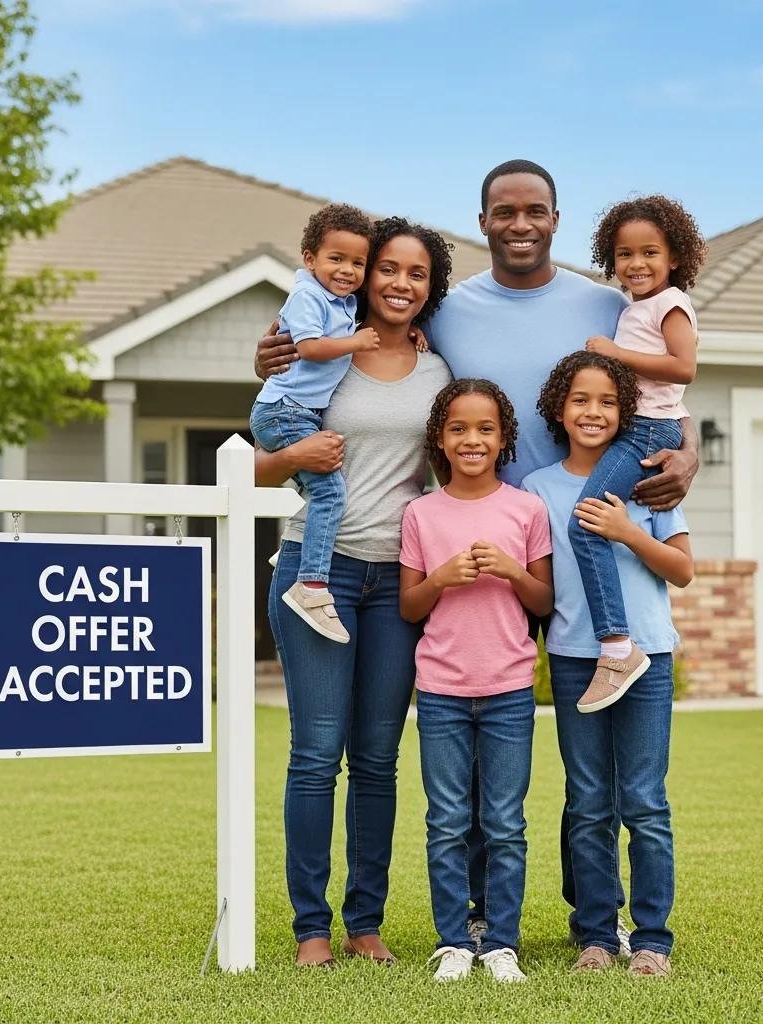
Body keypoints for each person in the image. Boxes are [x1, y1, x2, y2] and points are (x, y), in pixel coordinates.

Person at [254, 159, 700, 950]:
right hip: (428, 559)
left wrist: (689, 451)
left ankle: (585, 920)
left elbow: (665, 391)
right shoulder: (435, 319)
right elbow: (282, 412)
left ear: (557, 219)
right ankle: (411, 922)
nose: (520, 223)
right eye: (504, 211)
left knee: (561, 749)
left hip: (558, 545)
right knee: (382, 752)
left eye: (535, 210)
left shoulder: (606, 302)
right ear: (484, 218)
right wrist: (279, 365)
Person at [255, 217, 454, 967]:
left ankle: (364, 922)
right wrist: (290, 456)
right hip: (318, 567)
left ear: (429, 290)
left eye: (418, 274)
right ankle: (311, 929)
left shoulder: (440, 370)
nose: (401, 284)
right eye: (388, 269)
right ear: (363, 275)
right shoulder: (321, 352)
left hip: (395, 583)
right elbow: (257, 461)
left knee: (376, 759)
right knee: (315, 754)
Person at [524, 351, 693, 977]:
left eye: (607, 402)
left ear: (626, 413)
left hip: (645, 654)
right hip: (574, 659)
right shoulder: (538, 489)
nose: (593, 413)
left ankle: (652, 940)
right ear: (559, 411)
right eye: (580, 401)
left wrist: (628, 531)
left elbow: (683, 570)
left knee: (644, 799)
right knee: (589, 799)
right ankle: (596, 934)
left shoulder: (650, 478)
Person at [400, 380, 552, 983]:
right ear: (440, 437)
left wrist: (513, 570)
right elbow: (411, 607)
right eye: (459, 428)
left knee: (505, 821)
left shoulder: (526, 509)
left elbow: (544, 600)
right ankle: (454, 941)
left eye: (485, 429)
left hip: (510, 688)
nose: (472, 439)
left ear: (504, 438)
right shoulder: (420, 512)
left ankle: (502, 942)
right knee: (447, 819)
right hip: (440, 691)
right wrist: (440, 578)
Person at [570, 196, 707, 713]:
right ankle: (616, 647)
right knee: (590, 524)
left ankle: (616, 647)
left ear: (674, 257)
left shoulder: (670, 303)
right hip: (640, 427)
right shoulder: (635, 307)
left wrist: (612, 353)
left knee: (586, 523)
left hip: (650, 432)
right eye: (625, 254)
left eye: (650, 252)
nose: (637, 263)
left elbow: (684, 367)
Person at [250, 203, 377, 644]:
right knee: (329, 489)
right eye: (336, 259)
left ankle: (305, 556)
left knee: (320, 488)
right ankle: (311, 584)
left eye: (358, 262)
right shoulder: (307, 296)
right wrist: (356, 342)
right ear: (309, 259)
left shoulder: (343, 301)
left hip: (296, 410)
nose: (347, 270)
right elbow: (307, 348)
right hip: (283, 409)